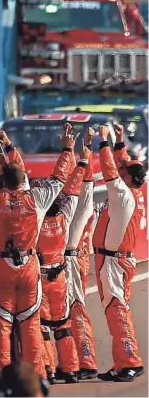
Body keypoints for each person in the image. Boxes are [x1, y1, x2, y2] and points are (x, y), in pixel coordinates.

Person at [0, 124, 75, 383]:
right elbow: (60, 178)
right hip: (29, 266)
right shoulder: (36, 198)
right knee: (30, 323)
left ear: (2, 180)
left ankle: (3, 376)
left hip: (1, 267)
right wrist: (68, 149)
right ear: (22, 180)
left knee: (2, 323)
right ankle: (36, 375)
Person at [94, 124, 146, 382]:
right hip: (120, 259)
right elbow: (121, 165)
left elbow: (109, 170)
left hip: (113, 262)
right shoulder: (133, 191)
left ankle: (129, 362)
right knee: (118, 309)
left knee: (116, 311)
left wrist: (103, 142)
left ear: (127, 177)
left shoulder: (123, 194)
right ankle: (122, 363)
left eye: (124, 169)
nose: (121, 167)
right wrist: (120, 139)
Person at [36, 137, 91, 384]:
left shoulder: (33, 220)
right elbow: (72, 190)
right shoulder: (65, 217)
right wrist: (82, 161)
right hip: (60, 276)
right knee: (63, 324)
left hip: (37, 277)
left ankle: (48, 368)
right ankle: (70, 369)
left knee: (41, 326)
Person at [65, 128, 98, 380]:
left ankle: (85, 361)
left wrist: (85, 149)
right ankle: (68, 363)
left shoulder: (80, 209)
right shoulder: (71, 206)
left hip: (70, 262)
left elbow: (85, 186)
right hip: (64, 263)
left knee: (74, 310)